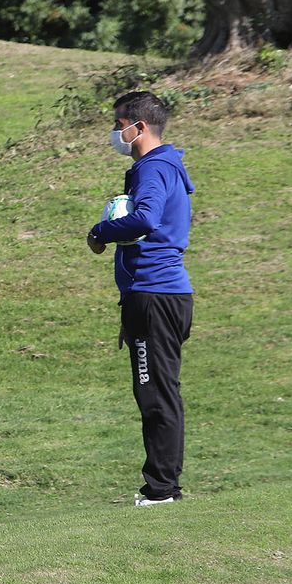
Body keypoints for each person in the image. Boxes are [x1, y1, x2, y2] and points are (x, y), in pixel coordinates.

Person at [85, 91, 195, 506]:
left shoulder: (153, 168)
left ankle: (161, 490)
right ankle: (167, 486)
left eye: (118, 126)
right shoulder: (163, 167)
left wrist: (101, 233)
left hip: (153, 294)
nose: (116, 134)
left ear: (139, 127)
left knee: (154, 393)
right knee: (161, 390)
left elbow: (146, 218)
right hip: (163, 295)